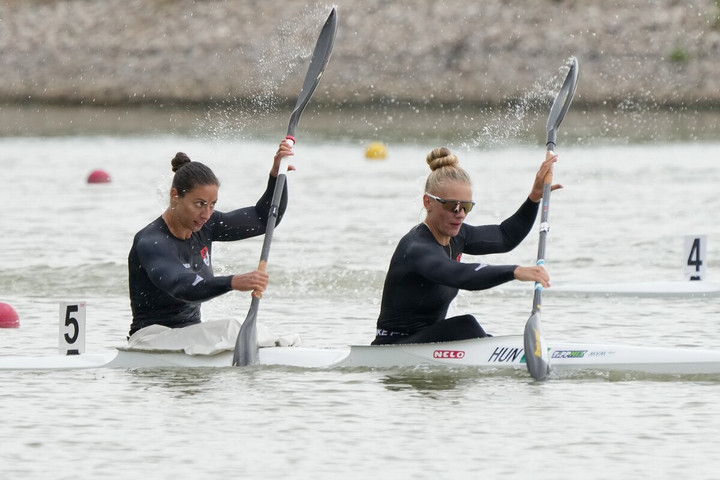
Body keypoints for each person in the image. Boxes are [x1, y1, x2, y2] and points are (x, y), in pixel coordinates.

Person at [372, 147, 559, 345]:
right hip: (394, 346)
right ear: (428, 202)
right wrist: (515, 271)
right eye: (451, 206)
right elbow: (462, 275)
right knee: (466, 325)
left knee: (469, 329)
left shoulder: (458, 236)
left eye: (466, 207)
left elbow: (505, 236)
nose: (460, 213)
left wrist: (534, 198)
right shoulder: (417, 247)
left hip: (429, 341)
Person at [127, 141, 293, 339]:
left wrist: (276, 175)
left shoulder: (207, 225)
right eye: (199, 204)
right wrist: (233, 281)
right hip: (150, 338)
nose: (206, 214)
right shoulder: (152, 242)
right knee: (233, 328)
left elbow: (263, 219)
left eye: (212, 204)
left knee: (245, 331)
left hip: (188, 336)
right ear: (175, 196)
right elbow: (183, 286)